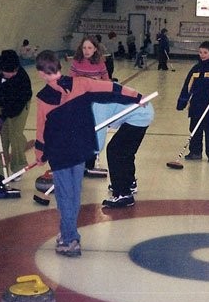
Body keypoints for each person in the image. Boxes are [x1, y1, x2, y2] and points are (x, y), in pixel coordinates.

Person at [33, 50, 145, 257]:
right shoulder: (81, 84)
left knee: (65, 197)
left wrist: (40, 153)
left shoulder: (44, 98)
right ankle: (67, 233)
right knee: (74, 195)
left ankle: (69, 239)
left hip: (60, 155)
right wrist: (136, 96)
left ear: (41, 73)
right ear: (60, 67)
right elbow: (111, 89)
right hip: (80, 150)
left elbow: (42, 130)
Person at [0, 50, 33, 182]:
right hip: (0, 100)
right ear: (1, 68)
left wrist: (2, 118)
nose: (12, 74)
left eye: (15, 71)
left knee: (15, 134)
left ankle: (18, 166)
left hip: (18, 105)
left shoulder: (22, 80)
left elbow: (15, 106)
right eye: (8, 72)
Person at [92, 98, 154, 208]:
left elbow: (98, 139)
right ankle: (129, 183)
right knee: (126, 152)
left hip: (138, 115)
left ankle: (123, 193)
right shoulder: (97, 95)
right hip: (144, 112)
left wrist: (89, 153)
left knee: (114, 151)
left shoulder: (98, 104)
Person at [176, 41, 209, 163]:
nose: (202, 55)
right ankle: (195, 152)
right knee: (195, 129)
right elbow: (187, 86)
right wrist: (183, 101)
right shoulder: (196, 69)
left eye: (205, 52)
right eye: (200, 52)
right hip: (196, 105)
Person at [69, 35, 110, 177]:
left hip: (95, 101)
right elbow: (71, 81)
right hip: (79, 101)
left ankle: (90, 163)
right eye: (84, 47)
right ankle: (78, 161)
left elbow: (106, 82)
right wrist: (89, 80)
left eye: (90, 48)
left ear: (95, 49)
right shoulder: (76, 62)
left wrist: (95, 82)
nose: (87, 51)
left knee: (92, 130)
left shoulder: (100, 63)